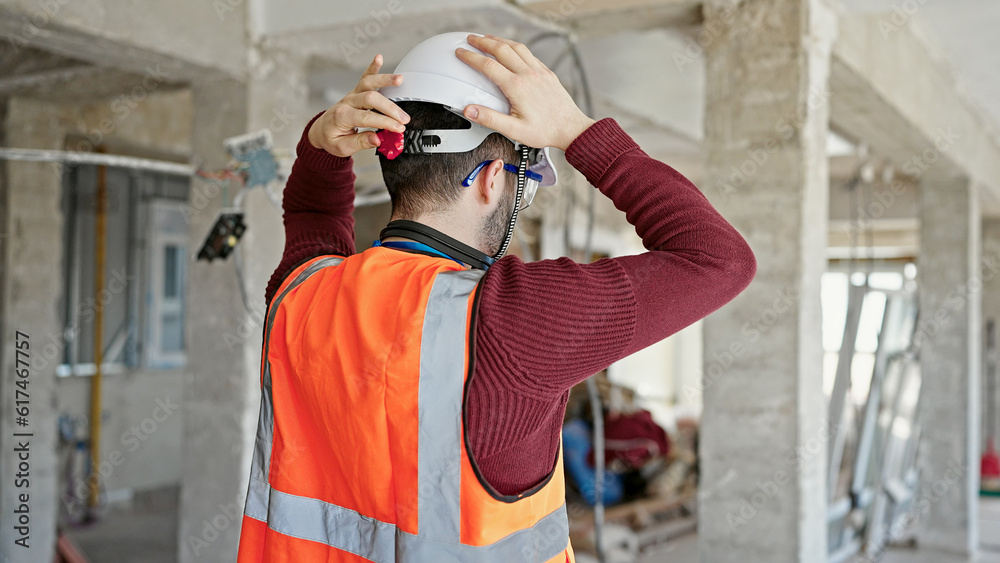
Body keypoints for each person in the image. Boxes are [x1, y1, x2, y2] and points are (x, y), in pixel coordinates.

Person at [237, 33, 756, 563]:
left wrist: (319, 147)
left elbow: (312, 219)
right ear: (490, 180)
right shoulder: (513, 316)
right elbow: (721, 260)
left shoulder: (301, 293)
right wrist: (578, 132)